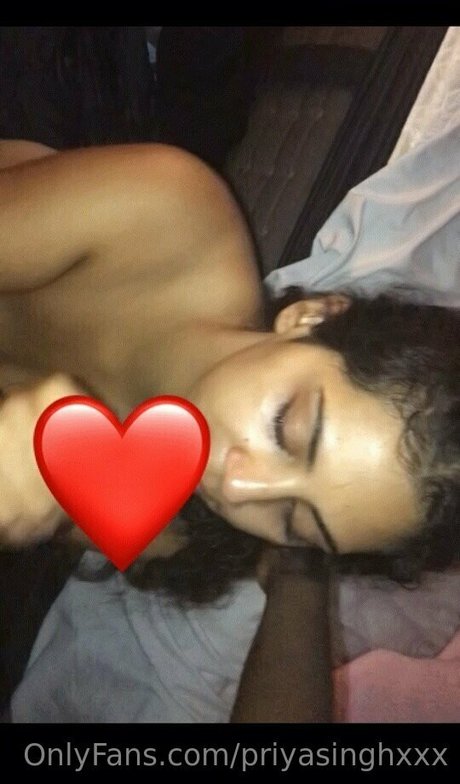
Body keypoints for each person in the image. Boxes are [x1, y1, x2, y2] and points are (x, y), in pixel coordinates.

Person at [0, 135, 459, 600]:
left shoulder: (167, 525)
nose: (239, 488)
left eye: (289, 520)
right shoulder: (164, 210)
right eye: (283, 428)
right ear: (312, 318)